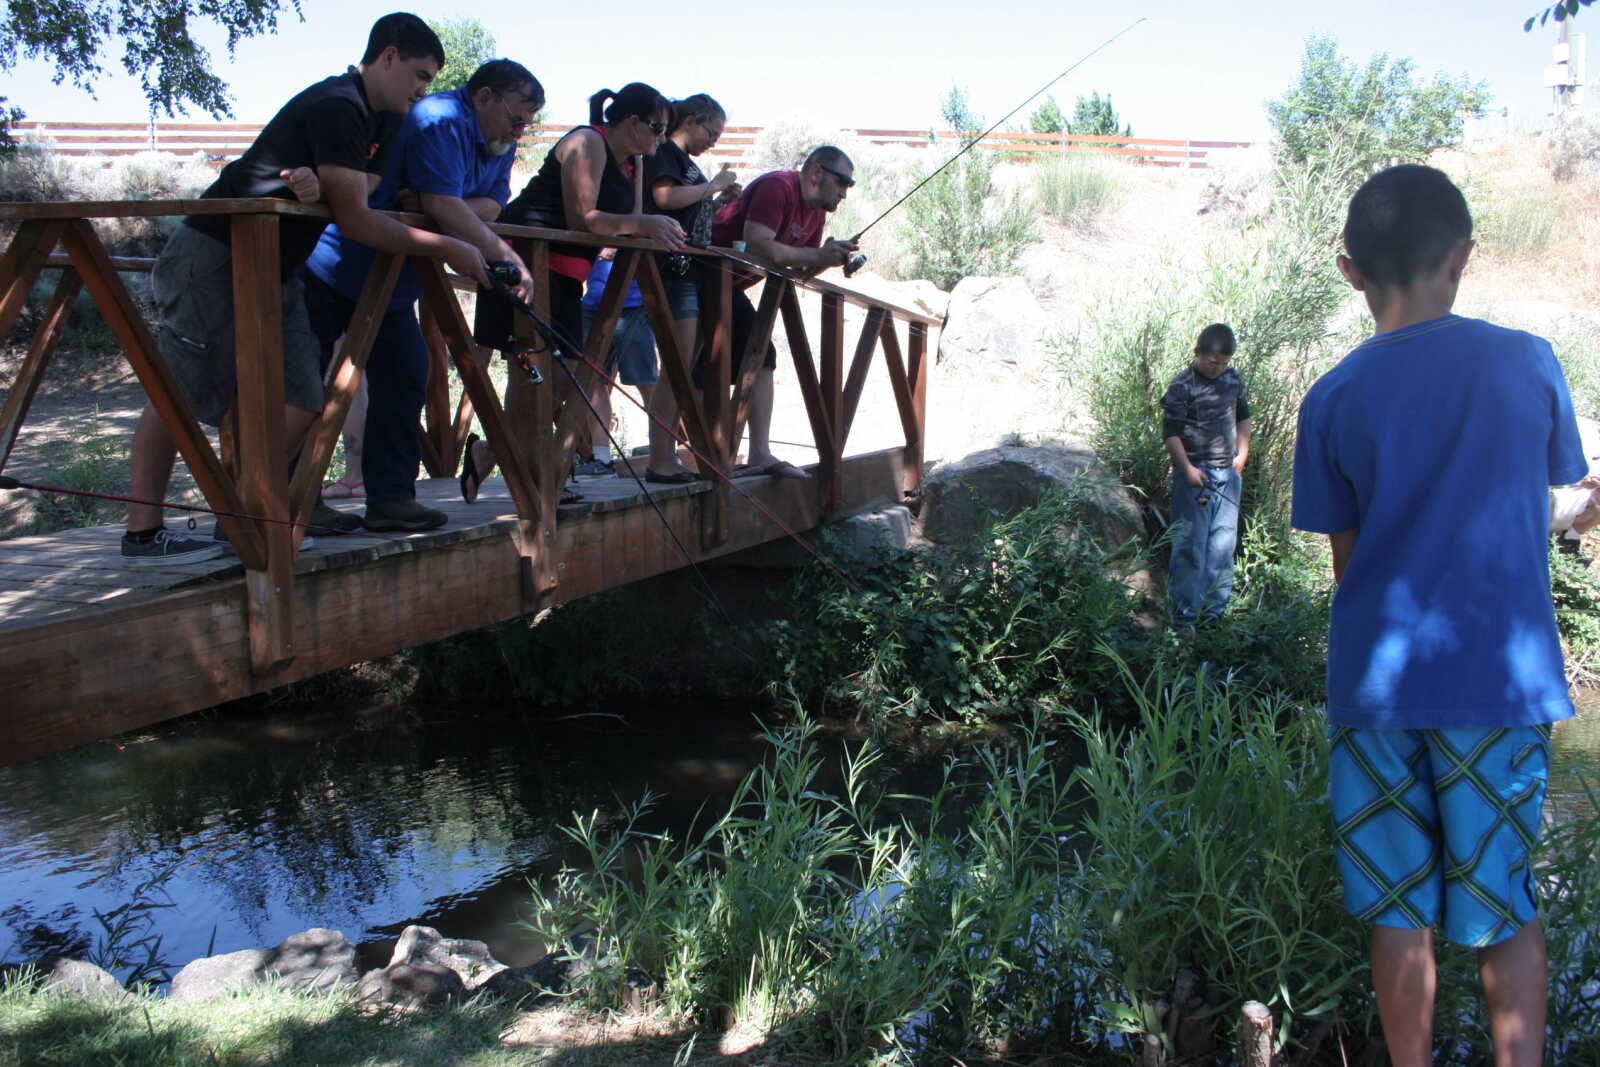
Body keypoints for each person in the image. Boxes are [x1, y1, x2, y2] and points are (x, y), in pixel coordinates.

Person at [1291, 164, 1585, 1067]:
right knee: (1505, 905)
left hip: (1377, 691)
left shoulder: (1332, 395)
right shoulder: (1526, 361)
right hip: (1498, 684)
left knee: (1397, 911)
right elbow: (1541, 498)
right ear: (1462, 257)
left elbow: (1350, 566)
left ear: (1349, 270)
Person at [121, 12, 489, 564]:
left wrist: (326, 186)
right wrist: (449, 246)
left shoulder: (386, 119)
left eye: (430, 80)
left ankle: (242, 515)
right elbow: (356, 219)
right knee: (180, 397)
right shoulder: (337, 104)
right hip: (214, 255)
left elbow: (359, 189)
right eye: (419, 75)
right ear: (387, 57)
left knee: (302, 399)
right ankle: (144, 534)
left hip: (277, 268)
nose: (423, 89)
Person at [302, 58, 543, 531]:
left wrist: (445, 205)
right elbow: (442, 204)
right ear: (484, 96)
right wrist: (494, 246)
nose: (519, 132)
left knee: (407, 375)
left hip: (394, 282)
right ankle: (289, 503)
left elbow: (490, 205)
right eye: (515, 119)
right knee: (306, 388)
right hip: (335, 267)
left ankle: (390, 498)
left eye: (527, 125)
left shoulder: (499, 139)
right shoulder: (441, 118)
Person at [465, 82, 685, 504]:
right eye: (657, 129)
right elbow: (583, 219)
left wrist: (650, 228)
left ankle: (495, 455)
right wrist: (645, 225)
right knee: (536, 377)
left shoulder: (634, 162)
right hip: (525, 266)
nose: (661, 140)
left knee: (560, 380)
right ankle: (538, 484)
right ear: (633, 122)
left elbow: (632, 220)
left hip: (566, 277)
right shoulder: (587, 142)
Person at [708, 145, 858, 479]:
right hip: (702, 273)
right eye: (842, 182)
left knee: (761, 355)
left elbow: (799, 266)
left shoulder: (816, 212)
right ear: (816, 172)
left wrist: (829, 258)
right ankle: (686, 454)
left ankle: (757, 453)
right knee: (696, 363)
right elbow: (758, 243)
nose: (844, 192)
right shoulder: (778, 187)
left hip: (728, 287)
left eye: (849, 185)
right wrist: (817, 256)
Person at [641, 92, 739, 483]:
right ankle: (660, 459)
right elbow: (663, 198)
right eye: (711, 133)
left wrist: (717, 200)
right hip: (670, 271)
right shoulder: (665, 152)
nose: (713, 142)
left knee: (682, 366)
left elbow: (686, 213)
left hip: (688, 271)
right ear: (692, 120)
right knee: (675, 367)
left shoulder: (684, 162)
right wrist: (711, 186)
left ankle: (666, 456)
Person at [1160, 323, 1249, 622]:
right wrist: (1186, 468)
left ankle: (1214, 617)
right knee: (1190, 546)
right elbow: (1170, 433)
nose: (1218, 369)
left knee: (1223, 544)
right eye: (1212, 362)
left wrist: (1243, 453)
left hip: (1228, 473)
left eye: (1223, 363)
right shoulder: (1182, 385)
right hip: (1196, 476)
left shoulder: (1232, 378)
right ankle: (1184, 617)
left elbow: (1243, 416)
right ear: (1198, 352)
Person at [574, 251, 656, 476]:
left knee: (645, 380)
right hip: (593, 305)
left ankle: (662, 449)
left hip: (634, 304)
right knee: (592, 380)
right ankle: (602, 458)